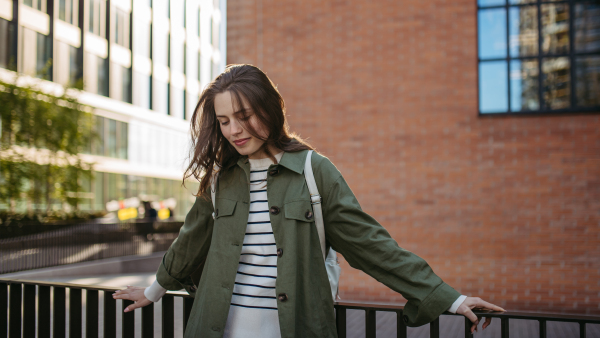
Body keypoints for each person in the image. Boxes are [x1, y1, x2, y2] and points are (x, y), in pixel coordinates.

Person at [113, 64, 505, 337]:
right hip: (214, 329)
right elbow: (190, 242)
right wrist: (152, 292)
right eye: (224, 121)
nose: (233, 130)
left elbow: (370, 245)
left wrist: (449, 299)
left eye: (243, 115)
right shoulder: (220, 181)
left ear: (268, 109)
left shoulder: (315, 172)